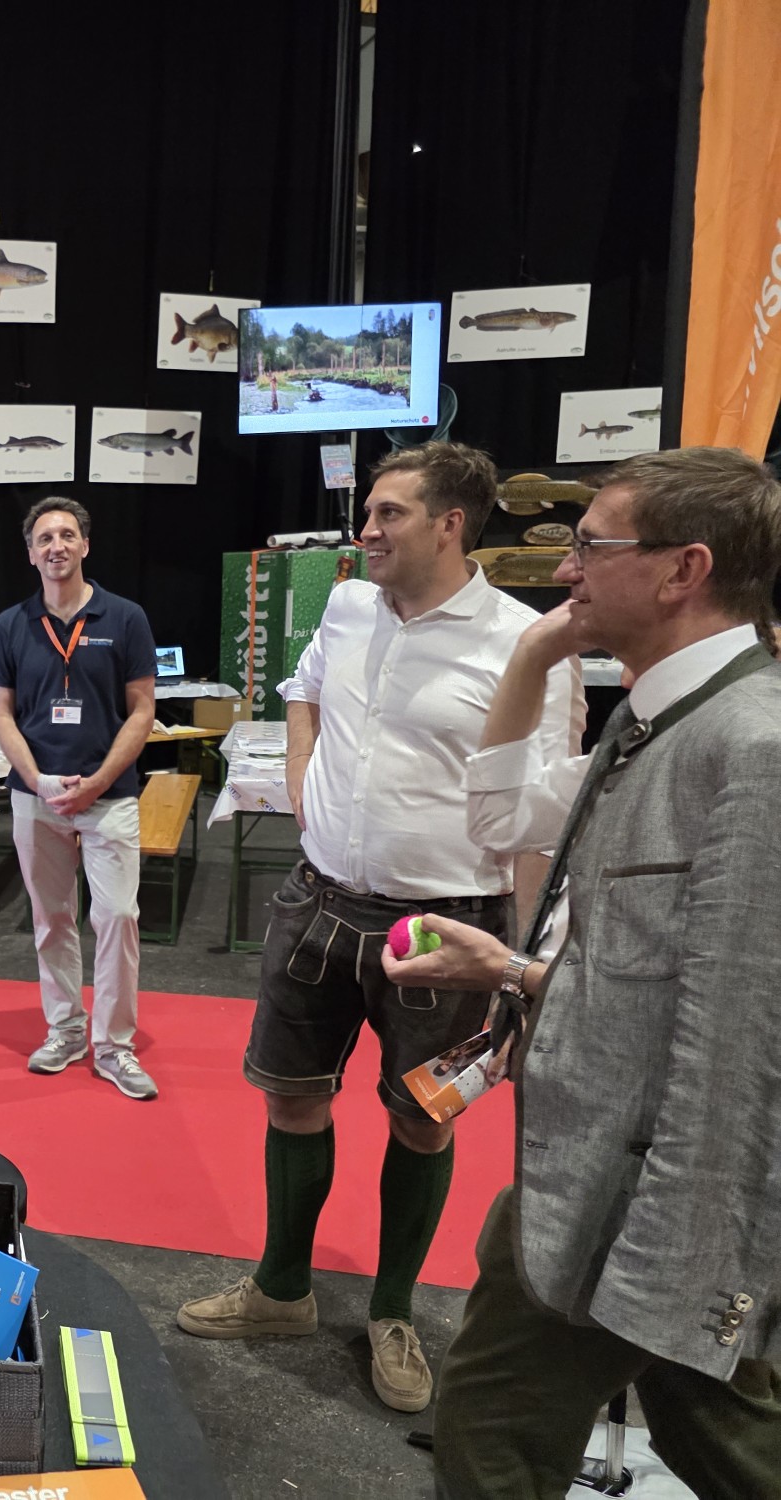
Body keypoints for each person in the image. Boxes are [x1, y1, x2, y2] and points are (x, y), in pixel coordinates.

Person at [379, 447, 781, 1498]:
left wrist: (671, 1258)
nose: (564, 571)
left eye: (591, 547)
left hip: (644, 1204)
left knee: (493, 1436)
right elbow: (650, 979)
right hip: (590, 1181)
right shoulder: (663, 719)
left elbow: (737, 1041)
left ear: (682, 569)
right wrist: (517, 972)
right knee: (718, 1438)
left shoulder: (751, 747)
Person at [176, 440, 584, 1415]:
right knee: (290, 1098)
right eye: (367, 511)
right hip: (316, 901)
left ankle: (393, 1311)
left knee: (421, 1117)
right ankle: (280, 1290)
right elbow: (302, 688)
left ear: (450, 524)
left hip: (446, 929)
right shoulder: (350, 604)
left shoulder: (522, 644)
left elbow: (541, 826)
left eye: (387, 514)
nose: (364, 531)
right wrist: (302, 781)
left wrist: (521, 968)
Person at [0, 497, 160, 1100]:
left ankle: (114, 1047)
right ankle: (65, 1030)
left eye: (66, 535)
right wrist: (35, 779)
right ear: (30, 553)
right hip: (37, 797)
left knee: (118, 918)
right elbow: (2, 713)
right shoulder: (11, 624)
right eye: (44, 538)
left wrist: (101, 780)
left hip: (109, 796)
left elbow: (142, 710)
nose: (55, 546)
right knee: (51, 919)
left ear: (85, 545)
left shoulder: (126, 617)